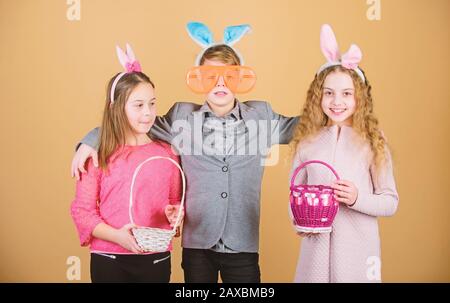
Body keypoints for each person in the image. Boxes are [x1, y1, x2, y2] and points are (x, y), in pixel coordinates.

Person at [289, 24, 399, 282]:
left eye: (346, 94)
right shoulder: (307, 141)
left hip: (359, 255)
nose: (337, 102)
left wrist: (357, 197)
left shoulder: (372, 141)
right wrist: (299, 221)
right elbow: (294, 192)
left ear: (359, 98)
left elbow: (390, 201)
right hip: (315, 255)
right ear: (318, 96)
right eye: (329, 93)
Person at [70, 44, 183, 283]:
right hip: (109, 258)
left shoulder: (167, 153)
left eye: (152, 103)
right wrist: (117, 237)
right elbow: (82, 212)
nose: (148, 113)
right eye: (138, 105)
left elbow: (173, 203)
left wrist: (174, 214)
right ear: (116, 108)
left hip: (155, 258)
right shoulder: (97, 154)